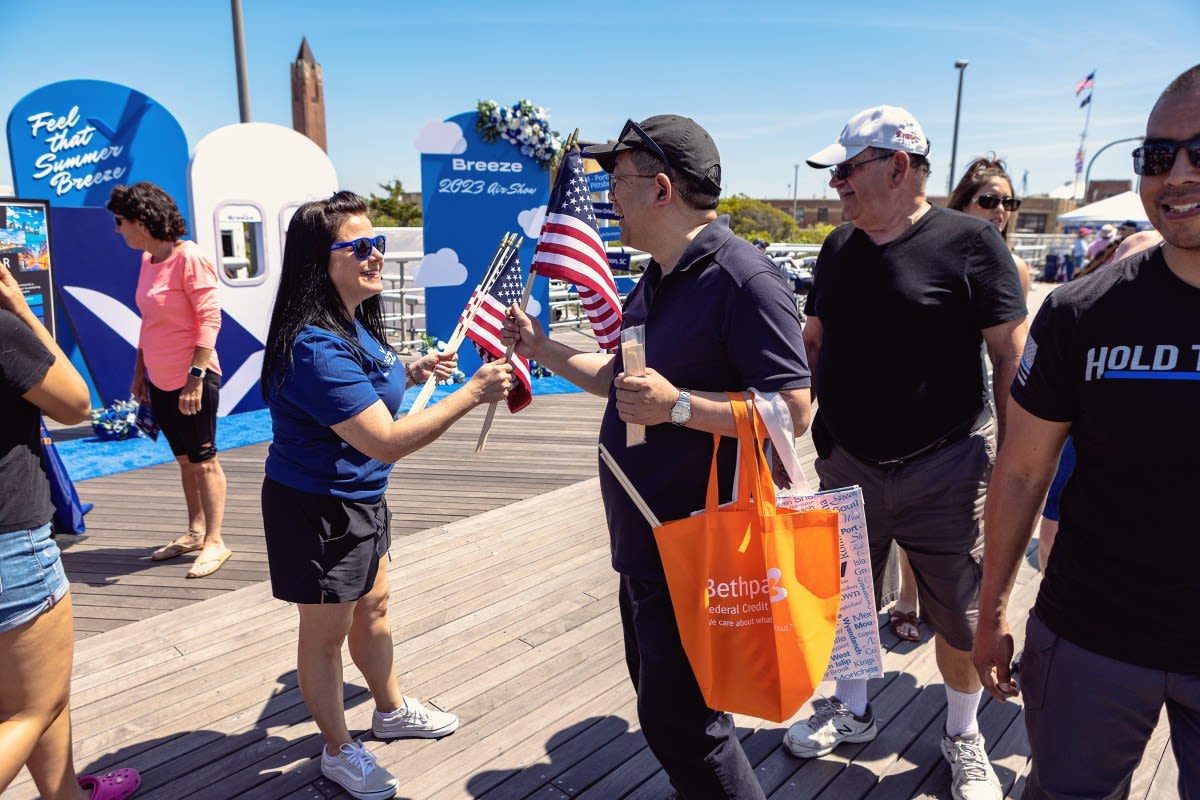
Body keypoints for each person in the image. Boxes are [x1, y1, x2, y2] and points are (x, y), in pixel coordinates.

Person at [504, 115, 811, 800]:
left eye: (617, 181)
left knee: (683, 725)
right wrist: (539, 346)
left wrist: (680, 407)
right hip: (649, 538)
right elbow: (622, 377)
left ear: (663, 188)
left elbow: (793, 411)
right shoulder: (660, 277)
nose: (609, 196)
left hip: (700, 542)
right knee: (668, 705)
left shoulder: (743, 279)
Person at [783, 105, 1027, 800]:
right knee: (848, 598)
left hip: (945, 463)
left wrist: (1014, 460)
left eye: (847, 168)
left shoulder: (973, 241)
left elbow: (1010, 355)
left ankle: (961, 733)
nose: (836, 184)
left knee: (957, 608)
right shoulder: (837, 248)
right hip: (847, 460)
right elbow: (814, 340)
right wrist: (781, 421)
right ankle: (853, 710)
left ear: (898, 166)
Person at [974, 67, 1200, 798]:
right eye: (1157, 157)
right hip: (1091, 639)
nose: (1177, 175)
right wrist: (991, 612)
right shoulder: (1080, 311)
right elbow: (1019, 473)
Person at [259, 191, 512, 800]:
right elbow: (386, 442)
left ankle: (390, 710)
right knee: (323, 635)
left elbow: (372, 383)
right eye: (363, 246)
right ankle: (338, 749)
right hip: (318, 507)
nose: (378, 255)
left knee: (373, 607)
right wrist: (471, 393)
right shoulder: (315, 345)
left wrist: (418, 370)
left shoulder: (351, 323)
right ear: (322, 261)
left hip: (359, 498)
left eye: (381, 244)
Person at [0, 260, 141, 799]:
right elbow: (74, 403)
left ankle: (65, 796)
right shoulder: (3, 328)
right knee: (30, 708)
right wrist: (21, 311)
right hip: (11, 540)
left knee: (39, 695)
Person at [106, 183, 231, 579]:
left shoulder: (190, 257)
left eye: (120, 222)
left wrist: (194, 377)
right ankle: (195, 532)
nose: (117, 229)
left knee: (204, 460)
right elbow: (149, 322)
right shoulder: (148, 260)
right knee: (183, 460)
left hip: (193, 379)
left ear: (142, 221)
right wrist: (139, 372)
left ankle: (215, 541)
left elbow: (211, 318)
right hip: (159, 379)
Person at [947, 156, 1032, 298]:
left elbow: (1019, 321)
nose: (1000, 209)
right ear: (963, 205)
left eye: (1008, 202)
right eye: (989, 201)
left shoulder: (1015, 267)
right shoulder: (935, 258)